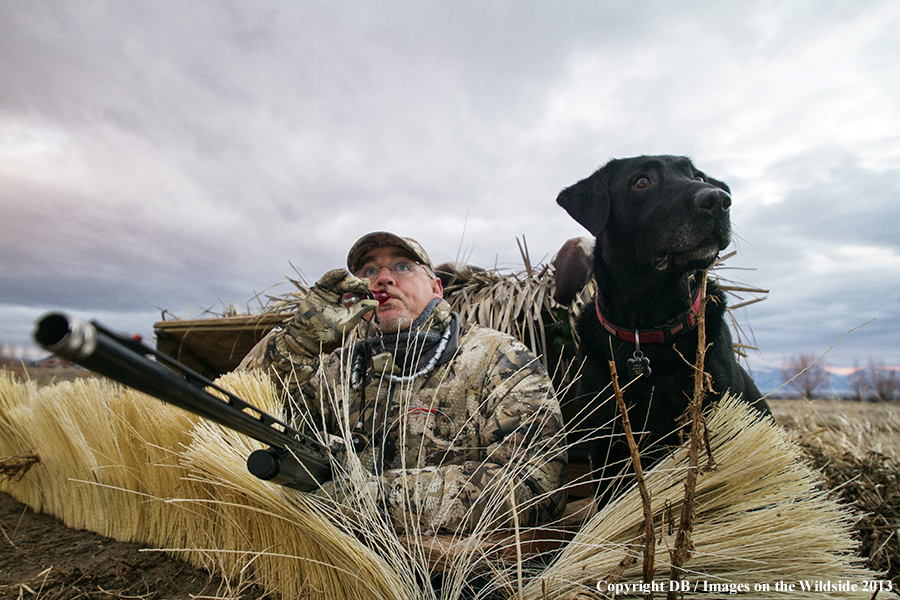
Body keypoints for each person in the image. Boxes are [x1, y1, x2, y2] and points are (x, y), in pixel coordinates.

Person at [239, 232, 567, 535]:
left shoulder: (497, 358)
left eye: (402, 266)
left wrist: (377, 499)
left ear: (436, 288)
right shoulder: (340, 367)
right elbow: (240, 407)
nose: (382, 278)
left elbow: (535, 487)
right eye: (368, 272)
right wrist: (299, 340)